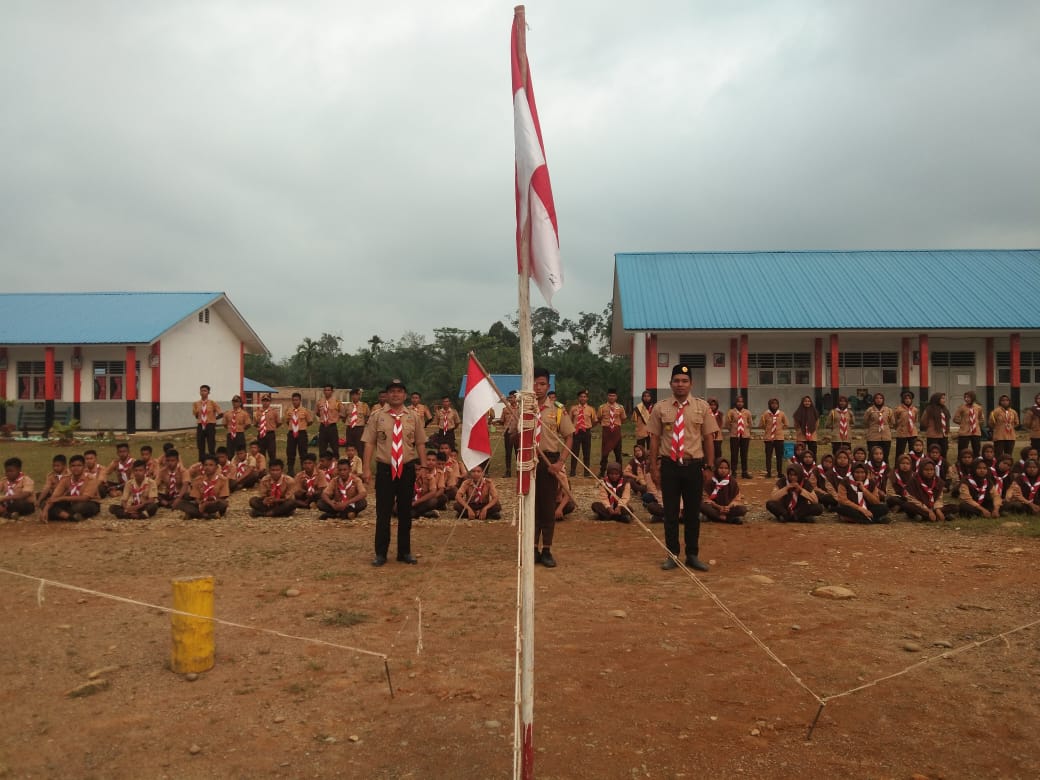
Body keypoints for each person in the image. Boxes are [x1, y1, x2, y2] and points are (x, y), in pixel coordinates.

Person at [649, 363, 718, 572]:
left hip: (693, 466)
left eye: (684, 381)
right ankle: (672, 555)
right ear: (670, 384)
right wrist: (653, 467)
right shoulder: (660, 408)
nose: (680, 384)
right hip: (669, 466)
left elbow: (708, 438)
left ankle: (692, 554)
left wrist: (710, 466)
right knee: (670, 513)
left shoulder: (702, 407)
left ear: (691, 384)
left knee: (692, 512)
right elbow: (654, 439)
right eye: (676, 381)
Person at [362, 378, 428, 566]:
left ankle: (404, 552)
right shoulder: (377, 416)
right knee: (383, 512)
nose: (395, 394)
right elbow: (369, 443)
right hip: (385, 468)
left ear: (405, 395)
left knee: (405, 511)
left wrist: (423, 466)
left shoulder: (413, 416)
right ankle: (381, 553)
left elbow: (421, 443)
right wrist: (366, 468)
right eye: (392, 391)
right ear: (387, 395)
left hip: (406, 468)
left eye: (399, 391)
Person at [528, 367, 574, 568]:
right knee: (529, 507)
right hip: (527, 463)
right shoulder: (523, 408)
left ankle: (546, 549)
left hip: (549, 463)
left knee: (547, 508)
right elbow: (512, 434)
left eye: (541, 384)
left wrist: (560, 463)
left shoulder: (557, 409)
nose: (537, 388)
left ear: (548, 386)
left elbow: (569, 436)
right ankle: (531, 549)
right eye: (534, 383)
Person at [44, 455, 102, 522]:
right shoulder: (66, 479)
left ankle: (61, 514)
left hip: (89, 503)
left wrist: (62, 498)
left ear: (84, 467)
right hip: (71, 503)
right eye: (73, 466)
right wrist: (45, 510)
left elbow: (85, 498)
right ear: (69, 467)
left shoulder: (91, 479)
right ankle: (70, 517)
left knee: (80, 507)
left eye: (79, 465)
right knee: (44, 504)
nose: (76, 468)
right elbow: (54, 496)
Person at [177, 454, 229, 520]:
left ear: (216, 467)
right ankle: (205, 515)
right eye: (205, 465)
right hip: (200, 505)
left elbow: (222, 497)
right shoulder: (197, 480)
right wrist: (201, 504)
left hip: (214, 504)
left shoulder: (223, 480)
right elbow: (196, 498)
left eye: (211, 465)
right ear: (203, 466)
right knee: (180, 503)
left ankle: (196, 514)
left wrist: (207, 504)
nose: (207, 467)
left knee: (223, 503)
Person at [700, 459, 746, 525]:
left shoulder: (732, 482)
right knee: (701, 505)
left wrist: (728, 507)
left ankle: (714, 517)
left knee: (742, 509)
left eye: (726, 468)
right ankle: (726, 519)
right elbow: (706, 498)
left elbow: (736, 498)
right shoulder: (710, 481)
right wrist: (719, 507)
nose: (723, 470)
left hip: (727, 508)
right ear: (716, 468)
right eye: (721, 468)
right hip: (714, 507)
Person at [597, 389, 627, 478]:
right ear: (607, 396)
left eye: (613, 395)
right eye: (610, 395)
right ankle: (602, 471)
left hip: (616, 431)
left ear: (616, 397)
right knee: (605, 453)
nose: (611, 397)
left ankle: (619, 472)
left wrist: (615, 424)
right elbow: (599, 418)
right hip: (606, 431)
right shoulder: (602, 407)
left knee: (618, 453)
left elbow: (623, 418)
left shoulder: (620, 407)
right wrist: (608, 425)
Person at [284, 392, 315, 475]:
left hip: (301, 433)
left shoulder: (305, 411)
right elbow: (287, 421)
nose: (295, 402)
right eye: (293, 400)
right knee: (290, 452)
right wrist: (293, 427)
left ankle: (304, 470)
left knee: (303, 452)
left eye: (297, 400)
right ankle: (290, 470)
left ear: (300, 400)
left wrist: (301, 426)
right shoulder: (289, 411)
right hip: (291, 433)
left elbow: (310, 421)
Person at [568, 389, 596, 478]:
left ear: (587, 398)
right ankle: (572, 471)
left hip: (586, 432)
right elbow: (569, 420)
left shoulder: (591, 409)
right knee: (574, 452)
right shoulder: (573, 408)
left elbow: (594, 421)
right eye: (581, 397)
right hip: (576, 432)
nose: (583, 398)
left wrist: (589, 427)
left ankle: (586, 472)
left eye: (584, 397)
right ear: (578, 398)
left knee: (586, 453)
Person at [192, 384, 223, 462]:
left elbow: (221, 413)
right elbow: (196, 415)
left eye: (205, 391)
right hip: (200, 425)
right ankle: (201, 462)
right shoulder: (196, 404)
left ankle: (212, 461)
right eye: (201, 391)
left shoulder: (212, 403)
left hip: (210, 425)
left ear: (208, 392)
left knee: (211, 445)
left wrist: (213, 419)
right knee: (200, 445)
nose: (203, 392)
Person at [725, 396, 753, 479]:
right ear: (735, 403)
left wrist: (746, 430)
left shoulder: (747, 412)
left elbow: (750, 423)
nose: (740, 403)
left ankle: (744, 472)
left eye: (741, 402)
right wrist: (733, 430)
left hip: (745, 436)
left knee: (744, 454)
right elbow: (727, 423)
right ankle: (734, 471)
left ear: (743, 403)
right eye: (738, 402)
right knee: (734, 454)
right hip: (734, 436)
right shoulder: (731, 412)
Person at [863, 393, 894, 464]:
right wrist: (873, 426)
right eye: (877, 398)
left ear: (883, 400)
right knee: (872, 455)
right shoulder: (870, 410)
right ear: (874, 400)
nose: (879, 400)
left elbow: (892, 421)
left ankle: (885, 471)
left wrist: (885, 426)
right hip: (873, 436)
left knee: (885, 455)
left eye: (881, 398)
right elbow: (865, 421)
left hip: (885, 436)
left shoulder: (888, 410)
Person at [759, 398, 787, 480]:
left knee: (779, 456)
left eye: (776, 403)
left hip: (779, 438)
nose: (774, 405)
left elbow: (786, 424)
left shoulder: (781, 414)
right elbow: (761, 425)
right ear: (769, 405)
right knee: (768, 456)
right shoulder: (765, 414)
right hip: (768, 438)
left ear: (778, 405)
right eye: (772, 403)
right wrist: (768, 430)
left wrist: (779, 429)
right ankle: (768, 472)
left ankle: (779, 472)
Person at [412, 451, 444, 519]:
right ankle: (425, 513)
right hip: (413, 499)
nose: (430, 462)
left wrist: (417, 502)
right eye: (428, 460)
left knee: (435, 500)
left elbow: (439, 490)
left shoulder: (430, 477)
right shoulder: (410, 475)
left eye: (433, 460)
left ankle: (417, 512)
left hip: (425, 499)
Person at [315, 385, 345, 459]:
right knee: (322, 447)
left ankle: (336, 464)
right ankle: (322, 464)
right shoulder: (319, 402)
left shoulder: (337, 402)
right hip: (323, 427)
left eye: (329, 390)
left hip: (332, 427)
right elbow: (317, 413)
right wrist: (324, 419)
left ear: (332, 391)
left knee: (335, 447)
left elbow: (342, 413)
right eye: (325, 390)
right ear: (323, 391)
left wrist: (335, 418)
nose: (327, 392)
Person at [921, 393, 951, 462]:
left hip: (944, 435)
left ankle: (942, 466)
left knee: (944, 452)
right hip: (933, 435)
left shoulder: (944, 409)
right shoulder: (929, 409)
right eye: (942, 398)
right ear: (936, 399)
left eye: (944, 398)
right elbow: (923, 422)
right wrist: (931, 427)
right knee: (932, 453)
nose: (944, 400)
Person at [954, 391, 984, 458]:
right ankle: (960, 462)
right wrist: (963, 423)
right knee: (962, 449)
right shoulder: (962, 407)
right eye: (965, 397)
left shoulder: (978, 407)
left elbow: (982, 419)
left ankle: (976, 462)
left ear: (973, 398)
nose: (966, 399)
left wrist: (976, 424)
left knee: (976, 449)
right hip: (964, 432)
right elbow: (955, 418)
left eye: (968, 397)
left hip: (976, 432)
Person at [989, 394, 1020, 460]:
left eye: (1007, 400)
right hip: (999, 436)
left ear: (1009, 401)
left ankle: (1008, 468)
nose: (1005, 402)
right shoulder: (995, 411)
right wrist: (999, 427)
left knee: (1008, 455)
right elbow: (991, 423)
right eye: (1002, 400)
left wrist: (1010, 426)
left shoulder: (1013, 412)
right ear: (1000, 402)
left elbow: (1017, 422)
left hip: (1011, 437)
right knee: (998, 455)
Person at [498, 391, 520, 478]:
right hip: (508, 432)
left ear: (516, 398)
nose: (510, 399)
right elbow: (502, 420)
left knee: (518, 452)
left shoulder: (520, 408)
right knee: (508, 452)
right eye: (509, 398)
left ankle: (519, 470)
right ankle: (508, 471)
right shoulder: (505, 409)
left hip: (517, 432)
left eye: (512, 397)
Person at [254, 395, 280, 464]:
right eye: (264, 401)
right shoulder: (257, 412)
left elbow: (278, 423)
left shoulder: (274, 412)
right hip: (261, 435)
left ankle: (273, 467)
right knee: (261, 453)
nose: (265, 402)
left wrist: (271, 427)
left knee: (272, 452)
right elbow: (255, 423)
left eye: (267, 401)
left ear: (270, 402)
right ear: (261, 402)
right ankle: (262, 468)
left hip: (270, 434)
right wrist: (261, 428)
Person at [893, 391, 919, 458]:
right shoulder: (898, 409)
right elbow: (894, 421)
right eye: (906, 398)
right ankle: (898, 466)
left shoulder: (915, 409)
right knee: (900, 451)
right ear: (903, 399)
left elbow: (915, 420)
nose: (908, 400)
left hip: (912, 433)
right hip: (902, 432)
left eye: (909, 398)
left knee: (913, 451)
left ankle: (914, 465)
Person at [344, 389, 370, 455]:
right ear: (351, 396)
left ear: (359, 396)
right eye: (353, 395)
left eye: (356, 395)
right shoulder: (347, 406)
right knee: (349, 447)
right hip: (350, 429)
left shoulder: (364, 405)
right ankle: (350, 463)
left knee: (360, 447)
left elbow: (368, 416)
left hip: (359, 429)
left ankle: (361, 463)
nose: (354, 396)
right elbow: (344, 417)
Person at [707, 397, 725, 462]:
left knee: (718, 453)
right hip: (708, 437)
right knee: (708, 453)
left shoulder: (720, 414)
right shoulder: (706, 413)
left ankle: (717, 467)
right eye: (711, 405)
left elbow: (722, 425)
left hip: (718, 438)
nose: (713, 407)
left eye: (714, 405)